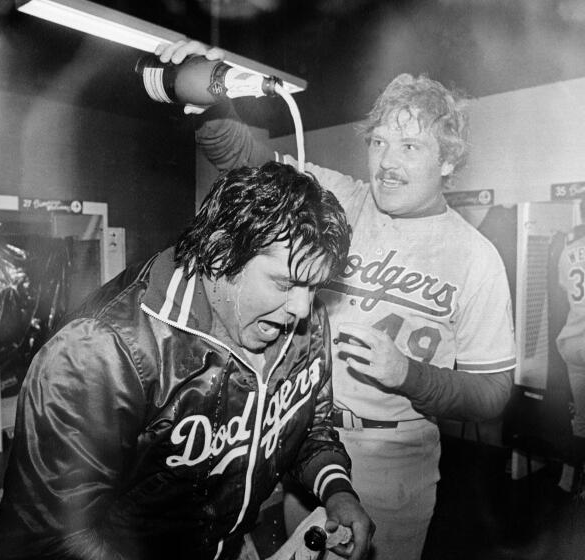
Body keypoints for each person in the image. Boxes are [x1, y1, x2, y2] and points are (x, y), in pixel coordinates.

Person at [155, 41, 517, 560]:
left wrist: (409, 375)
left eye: (410, 147)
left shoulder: (476, 257)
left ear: (447, 161)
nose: (387, 162)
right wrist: (212, 101)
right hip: (304, 442)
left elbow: (494, 392)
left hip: (393, 460)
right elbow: (244, 162)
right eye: (379, 143)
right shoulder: (339, 198)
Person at [0, 161, 373, 560]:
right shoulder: (99, 352)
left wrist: (337, 491)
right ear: (221, 251)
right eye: (285, 283)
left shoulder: (304, 316)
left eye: (315, 286)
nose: (302, 307)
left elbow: (309, 427)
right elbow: (49, 539)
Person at [553, 200, 585, 472]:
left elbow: (566, 291)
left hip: (573, 342)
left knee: (582, 419)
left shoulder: (568, 252)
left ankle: (569, 481)